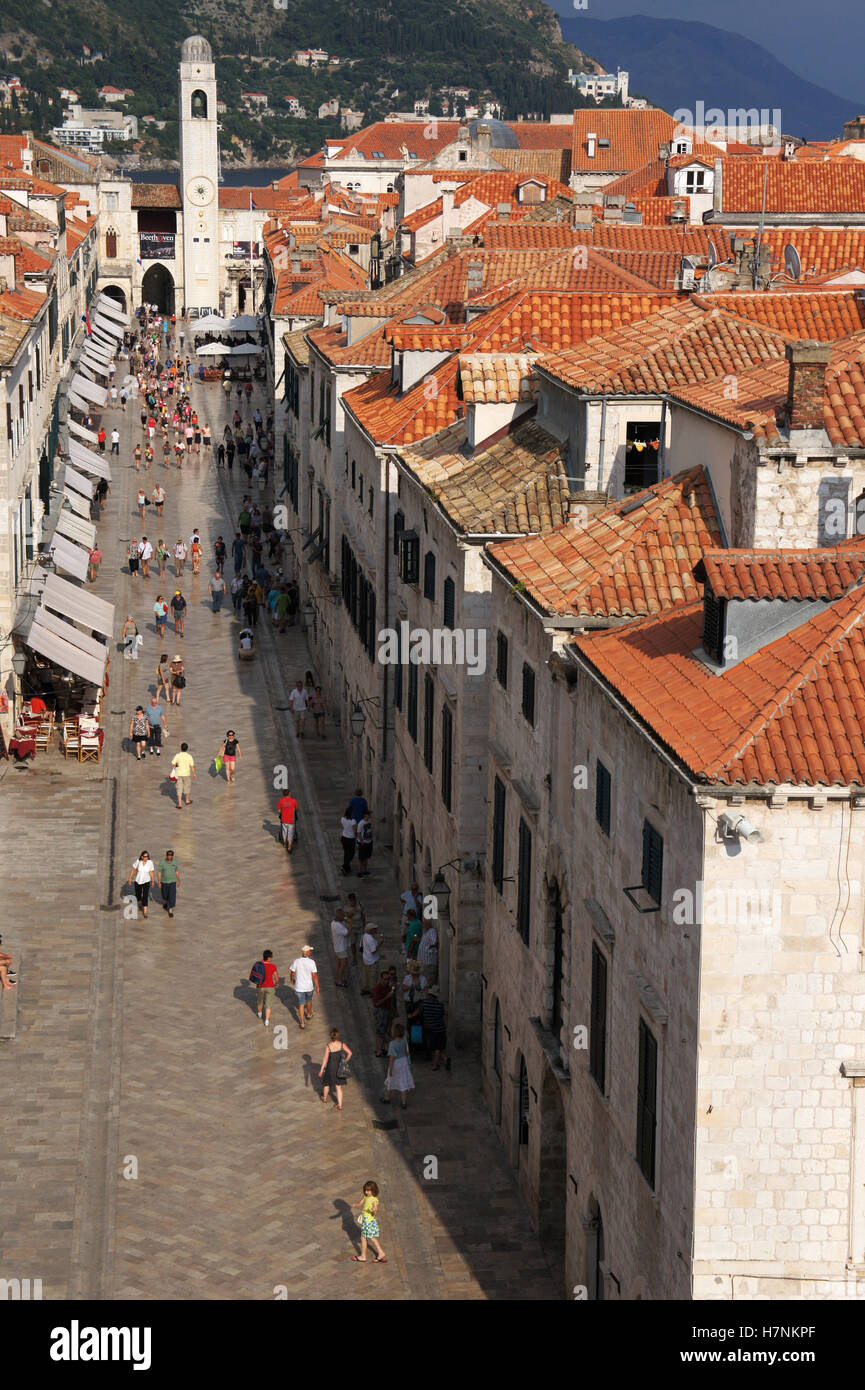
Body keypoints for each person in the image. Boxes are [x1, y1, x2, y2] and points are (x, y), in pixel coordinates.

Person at [352, 1181, 386, 1264]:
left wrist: (374, 1210)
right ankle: (379, 1253)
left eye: (368, 1190)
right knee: (369, 1237)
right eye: (365, 1190)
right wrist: (355, 1204)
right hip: (366, 1221)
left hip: (368, 1222)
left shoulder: (374, 1200)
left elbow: (375, 1209)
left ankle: (364, 1256)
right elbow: (360, 1203)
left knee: (366, 1237)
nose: (366, 1192)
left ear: (373, 1190)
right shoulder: (366, 1197)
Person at [383, 1023, 415, 1110]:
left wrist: (390, 1068)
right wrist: (409, 1062)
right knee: (403, 1081)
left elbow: (392, 1058)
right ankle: (403, 1103)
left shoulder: (392, 1044)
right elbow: (406, 1052)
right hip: (404, 1062)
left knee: (391, 1080)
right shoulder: (404, 1040)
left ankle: (387, 1098)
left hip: (396, 1064)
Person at [320, 1029, 352, 1111]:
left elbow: (325, 1059)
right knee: (338, 1087)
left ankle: (324, 1098)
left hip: (330, 1068)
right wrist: (345, 1061)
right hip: (339, 1069)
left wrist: (321, 1070)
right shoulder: (342, 1044)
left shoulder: (328, 1046)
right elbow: (350, 1053)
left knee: (326, 1084)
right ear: (338, 1036)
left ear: (330, 1036)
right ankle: (340, 1105)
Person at [290, 945, 320, 1030]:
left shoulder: (296, 961)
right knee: (309, 1000)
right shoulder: (312, 962)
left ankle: (302, 1022)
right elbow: (314, 976)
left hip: (299, 987)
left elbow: (292, 972)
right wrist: (317, 987)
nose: (310, 952)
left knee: (301, 1004)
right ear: (306, 953)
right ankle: (309, 1014)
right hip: (309, 986)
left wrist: (292, 979)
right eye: (310, 951)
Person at [422, 985, 450, 1071]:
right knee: (438, 1047)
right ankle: (444, 1059)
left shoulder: (425, 1003)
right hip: (440, 1028)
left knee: (436, 1048)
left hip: (430, 1028)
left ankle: (435, 1065)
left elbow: (422, 1013)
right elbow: (442, 1015)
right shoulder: (440, 1005)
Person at [252, 949, 279, 1027]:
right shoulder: (273, 966)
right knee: (268, 1004)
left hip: (260, 986)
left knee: (259, 1001)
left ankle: (260, 1012)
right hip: (270, 987)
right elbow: (276, 977)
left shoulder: (258, 965)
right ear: (269, 958)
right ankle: (267, 1020)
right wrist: (277, 983)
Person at [372, 970, 395, 1057]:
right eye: (385, 979)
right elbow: (376, 1003)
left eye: (388, 979)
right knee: (380, 1031)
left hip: (386, 1011)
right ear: (381, 979)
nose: (386, 981)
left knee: (384, 1031)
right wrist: (387, 997)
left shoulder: (388, 987)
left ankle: (382, 1049)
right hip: (380, 1011)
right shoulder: (377, 988)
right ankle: (379, 1051)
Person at [128, 851, 155, 919]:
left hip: (146, 881)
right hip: (137, 881)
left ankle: (145, 912)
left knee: (145, 896)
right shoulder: (138, 862)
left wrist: (153, 881)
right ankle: (140, 905)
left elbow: (151, 872)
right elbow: (133, 870)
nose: (146, 858)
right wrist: (130, 879)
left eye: (147, 856)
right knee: (138, 894)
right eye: (145, 856)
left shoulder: (150, 863)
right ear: (142, 857)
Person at [156, 849, 179, 919]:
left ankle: (170, 910)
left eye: (171, 855)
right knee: (165, 895)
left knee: (172, 896)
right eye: (169, 855)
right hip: (164, 882)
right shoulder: (162, 862)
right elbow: (159, 872)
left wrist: (178, 880)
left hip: (172, 882)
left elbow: (177, 871)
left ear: (172, 856)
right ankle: (165, 902)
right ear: (166, 855)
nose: (170, 856)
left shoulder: (175, 862)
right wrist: (159, 881)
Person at [171, 742, 195, 808]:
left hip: (179, 774)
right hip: (187, 774)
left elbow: (172, 763)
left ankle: (179, 804)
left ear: (181, 748)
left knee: (179, 788)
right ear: (187, 749)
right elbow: (192, 766)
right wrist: (194, 774)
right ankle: (187, 800)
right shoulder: (189, 756)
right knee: (187, 787)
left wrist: (176, 765)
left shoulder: (177, 755)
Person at [360, 924, 382, 995]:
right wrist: (380, 944)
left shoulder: (364, 936)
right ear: (370, 930)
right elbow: (373, 951)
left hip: (366, 959)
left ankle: (365, 988)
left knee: (365, 975)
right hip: (372, 960)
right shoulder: (370, 939)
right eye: (374, 929)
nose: (376, 930)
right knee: (373, 976)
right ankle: (373, 992)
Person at [416, 917, 439, 986]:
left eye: (424, 923)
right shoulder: (426, 933)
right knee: (424, 984)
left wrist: (428, 948)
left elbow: (434, 942)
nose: (423, 925)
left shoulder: (432, 931)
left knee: (428, 984)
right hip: (423, 964)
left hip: (428, 964)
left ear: (428, 923)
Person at [345, 892, 365, 968]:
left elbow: (363, 915)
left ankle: (363, 956)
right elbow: (346, 918)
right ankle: (354, 957)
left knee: (361, 943)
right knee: (353, 943)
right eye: (351, 901)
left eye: (354, 900)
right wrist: (352, 913)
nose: (352, 902)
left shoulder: (360, 905)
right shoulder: (347, 908)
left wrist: (364, 924)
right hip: (352, 928)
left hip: (360, 927)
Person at [331, 910, 350, 986]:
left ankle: (337, 979)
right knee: (343, 965)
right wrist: (350, 923)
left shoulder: (333, 923)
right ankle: (339, 981)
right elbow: (347, 933)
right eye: (343, 916)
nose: (344, 917)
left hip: (337, 947)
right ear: (339, 916)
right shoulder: (338, 925)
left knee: (338, 965)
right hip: (341, 948)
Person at [339, 807, 357, 876]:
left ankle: (347, 869)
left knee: (346, 853)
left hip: (344, 838)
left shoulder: (342, 819)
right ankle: (344, 866)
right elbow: (355, 831)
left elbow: (343, 828)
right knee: (351, 853)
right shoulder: (353, 821)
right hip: (350, 839)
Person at [356, 811, 374, 877]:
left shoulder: (369, 822)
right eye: (369, 814)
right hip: (363, 843)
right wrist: (362, 841)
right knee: (361, 858)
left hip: (369, 842)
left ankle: (365, 870)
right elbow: (359, 833)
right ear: (365, 815)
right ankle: (359, 872)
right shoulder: (361, 823)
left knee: (366, 857)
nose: (370, 815)